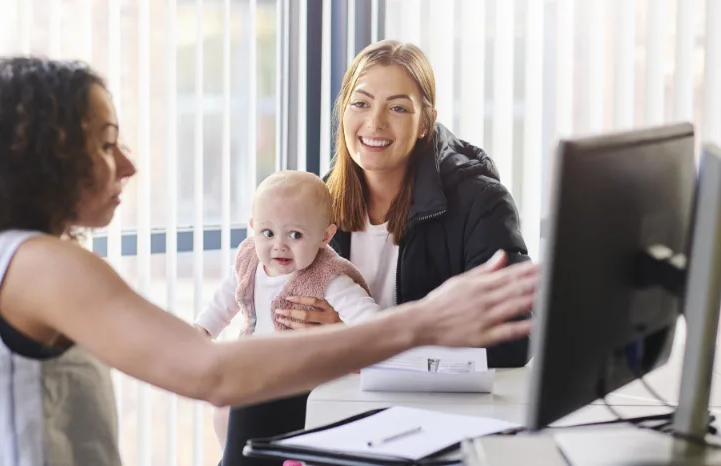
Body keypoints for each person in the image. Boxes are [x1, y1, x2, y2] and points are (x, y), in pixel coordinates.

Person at [0, 57, 536, 466]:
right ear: (41, 157)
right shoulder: (38, 265)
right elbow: (211, 371)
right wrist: (425, 322)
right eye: (107, 143)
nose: (130, 166)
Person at [219, 40, 533, 466]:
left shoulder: (480, 202)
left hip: (428, 409)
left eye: (399, 108)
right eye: (361, 103)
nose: (375, 122)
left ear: (426, 122)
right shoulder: (318, 203)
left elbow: (513, 341)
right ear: (343, 111)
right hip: (336, 395)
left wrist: (355, 341)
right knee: (246, 403)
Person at [195, 170, 382, 447]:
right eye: (267, 232)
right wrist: (201, 332)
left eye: (295, 234)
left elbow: (372, 322)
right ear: (253, 227)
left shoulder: (328, 276)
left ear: (325, 236)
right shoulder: (249, 261)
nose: (279, 246)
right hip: (254, 371)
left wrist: (348, 340)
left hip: (304, 381)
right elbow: (223, 302)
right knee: (223, 414)